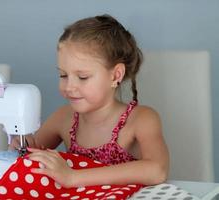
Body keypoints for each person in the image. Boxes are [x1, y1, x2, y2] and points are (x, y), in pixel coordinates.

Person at [10, 14, 169, 188]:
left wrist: (74, 178)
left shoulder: (141, 119)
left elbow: (157, 170)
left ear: (115, 75)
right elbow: (32, 160)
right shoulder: (64, 118)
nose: (69, 86)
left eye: (82, 77)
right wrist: (24, 147)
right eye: (63, 75)